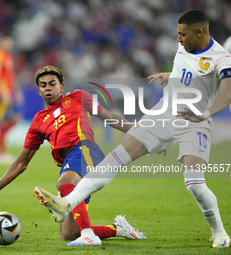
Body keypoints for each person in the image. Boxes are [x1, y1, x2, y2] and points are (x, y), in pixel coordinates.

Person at [34, 10, 231, 248]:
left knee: (195, 185)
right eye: (178, 34)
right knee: (116, 156)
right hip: (164, 114)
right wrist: (173, 76)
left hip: (195, 121)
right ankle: (67, 202)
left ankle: (219, 233)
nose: (178, 39)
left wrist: (204, 113)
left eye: (183, 35)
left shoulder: (221, 59)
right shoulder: (186, 46)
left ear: (199, 32)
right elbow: (190, 71)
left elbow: (227, 94)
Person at [0, 65, 147, 246]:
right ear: (39, 91)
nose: (48, 88)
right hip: (68, 164)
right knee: (69, 234)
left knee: (65, 183)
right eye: (43, 85)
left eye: (52, 84)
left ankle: (88, 235)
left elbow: (109, 117)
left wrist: (143, 135)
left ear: (61, 86)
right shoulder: (38, 121)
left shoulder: (78, 97)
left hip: (85, 150)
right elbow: (21, 163)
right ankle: (118, 228)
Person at [0, 34, 21, 164]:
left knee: (11, 120)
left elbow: (10, 76)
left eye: (10, 42)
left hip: (9, 93)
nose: (9, 45)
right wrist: (4, 93)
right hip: (1, 95)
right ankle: (1, 152)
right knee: (5, 121)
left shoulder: (8, 57)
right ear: (1, 42)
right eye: (7, 42)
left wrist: (17, 92)